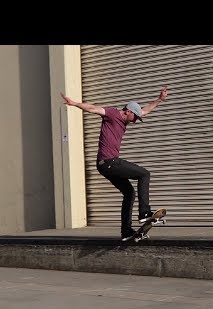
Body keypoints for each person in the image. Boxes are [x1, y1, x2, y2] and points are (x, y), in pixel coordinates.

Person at [61, 87, 168, 240]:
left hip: (104, 165)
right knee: (144, 174)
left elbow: (145, 111)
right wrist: (74, 103)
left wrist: (159, 100)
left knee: (129, 193)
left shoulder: (130, 117)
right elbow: (92, 108)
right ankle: (144, 212)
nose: (136, 121)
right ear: (128, 111)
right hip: (109, 162)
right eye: (135, 117)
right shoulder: (111, 113)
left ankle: (126, 231)